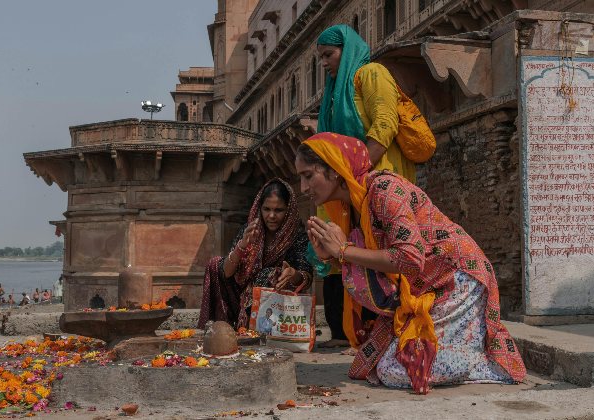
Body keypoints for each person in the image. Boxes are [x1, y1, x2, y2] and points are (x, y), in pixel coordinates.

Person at [295, 132, 526, 393]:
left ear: (334, 169)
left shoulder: (384, 191)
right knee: (370, 364)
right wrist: (332, 254)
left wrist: (344, 251)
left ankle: (486, 363)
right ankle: (465, 346)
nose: (303, 188)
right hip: (426, 287)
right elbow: (364, 266)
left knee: (392, 371)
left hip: (458, 281)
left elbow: (409, 258)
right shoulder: (352, 207)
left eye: (308, 175)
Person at [315, 24, 422, 351]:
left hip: (380, 183)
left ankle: (398, 329)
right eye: (320, 58)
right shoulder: (334, 93)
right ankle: (355, 334)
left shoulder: (371, 74)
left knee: (384, 251)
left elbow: (385, 125)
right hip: (349, 189)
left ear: (346, 51)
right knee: (343, 249)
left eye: (328, 55)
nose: (324, 64)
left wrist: (355, 173)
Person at [198, 178, 313, 329]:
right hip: (241, 299)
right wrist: (242, 246)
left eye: (278, 210)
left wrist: (292, 274)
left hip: (278, 303)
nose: (271, 216)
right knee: (215, 264)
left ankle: (252, 328)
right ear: (260, 208)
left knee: (269, 274)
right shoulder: (251, 230)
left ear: (289, 210)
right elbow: (225, 273)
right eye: (267, 209)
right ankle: (223, 327)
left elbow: (307, 276)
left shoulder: (297, 236)